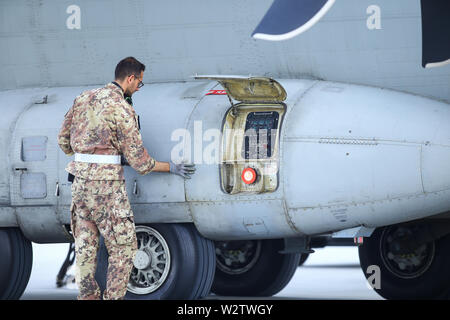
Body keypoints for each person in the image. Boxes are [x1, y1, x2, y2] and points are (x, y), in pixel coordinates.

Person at [57, 56, 195, 300]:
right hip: (107, 188)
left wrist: (86, 156)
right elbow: (140, 162)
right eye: (139, 83)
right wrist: (170, 167)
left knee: (86, 247)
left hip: (79, 185)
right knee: (124, 248)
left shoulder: (83, 98)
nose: (138, 88)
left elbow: (63, 140)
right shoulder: (122, 109)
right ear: (130, 78)